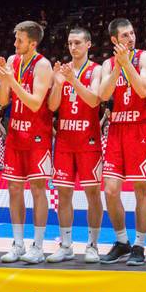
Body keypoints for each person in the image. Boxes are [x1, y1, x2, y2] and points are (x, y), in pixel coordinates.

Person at [98, 18, 146, 266]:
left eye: (132, 33)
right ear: (114, 40)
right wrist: (118, 67)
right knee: (110, 190)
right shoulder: (107, 64)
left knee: (142, 189)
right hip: (117, 129)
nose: (130, 38)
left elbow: (143, 90)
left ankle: (140, 245)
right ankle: (122, 242)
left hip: (140, 128)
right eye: (124, 36)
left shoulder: (143, 57)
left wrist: (127, 64)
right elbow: (103, 94)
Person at [0, 21, 53, 264]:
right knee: (14, 189)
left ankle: (38, 246)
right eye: (15, 39)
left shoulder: (43, 64)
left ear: (33, 43)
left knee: (38, 190)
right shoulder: (12, 61)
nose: (15, 43)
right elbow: (1, 100)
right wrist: (5, 80)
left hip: (37, 136)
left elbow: (35, 103)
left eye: (20, 40)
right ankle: (18, 244)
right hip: (15, 134)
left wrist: (12, 80)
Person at [47, 27, 104, 263]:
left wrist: (73, 80)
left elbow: (93, 100)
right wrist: (59, 83)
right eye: (70, 43)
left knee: (92, 193)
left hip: (89, 140)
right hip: (64, 141)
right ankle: (66, 244)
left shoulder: (97, 70)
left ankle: (92, 245)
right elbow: (52, 107)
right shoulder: (61, 70)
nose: (73, 47)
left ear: (88, 45)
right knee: (63, 194)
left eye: (78, 43)